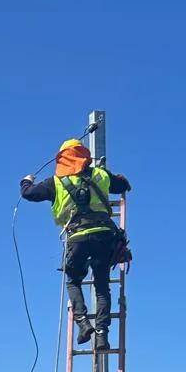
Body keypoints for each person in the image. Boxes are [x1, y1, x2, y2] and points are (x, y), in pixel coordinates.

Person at [20, 139, 131, 351]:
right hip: (103, 236)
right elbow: (121, 185)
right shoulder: (100, 174)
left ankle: (82, 323)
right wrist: (120, 179)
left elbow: (28, 194)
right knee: (101, 286)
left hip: (77, 237)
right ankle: (101, 334)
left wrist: (26, 181)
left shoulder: (55, 183)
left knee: (73, 281)